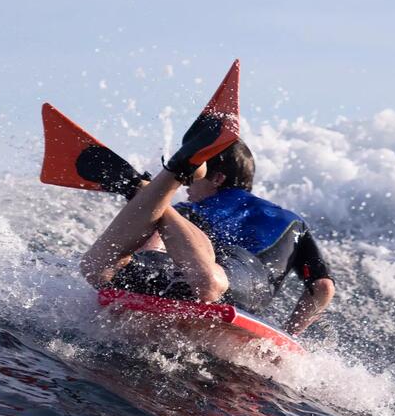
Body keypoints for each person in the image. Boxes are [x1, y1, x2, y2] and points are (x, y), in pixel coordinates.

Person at [79, 137, 335, 336]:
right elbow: (322, 288)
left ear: (218, 178)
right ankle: (148, 190)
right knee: (207, 284)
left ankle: (144, 190)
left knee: (97, 270)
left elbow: (149, 252)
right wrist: (288, 334)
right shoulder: (292, 222)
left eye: (194, 178)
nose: (189, 188)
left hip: (200, 273)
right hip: (227, 282)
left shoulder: (186, 213)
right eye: (188, 178)